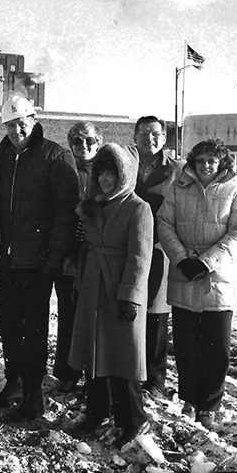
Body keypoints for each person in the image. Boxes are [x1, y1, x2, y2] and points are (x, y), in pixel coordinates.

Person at [0, 94, 79, 421]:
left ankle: (32, 395)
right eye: (10, 124)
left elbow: (67, 211)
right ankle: (13, 382)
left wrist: (55, 254)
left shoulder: (55, 156)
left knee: (33, 329)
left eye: (21, 121)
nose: (16, 129)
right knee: (7, 325)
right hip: (7, 260)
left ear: (34, 117)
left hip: (37, 263)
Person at [68, 143, 153, 447]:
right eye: (101, 172)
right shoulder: (92, 205)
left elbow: (140, 257)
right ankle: (96, 412)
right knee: (94, 354)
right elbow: (85, 250)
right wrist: (79, 285)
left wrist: (130, 296)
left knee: (122, 358)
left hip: (119, 289)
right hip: (93, 286)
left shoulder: (138, 207)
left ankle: (133, 419)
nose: (105, 179)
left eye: (112, 173)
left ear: (125, 175)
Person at [157, 139, 237, 430]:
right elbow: (164, 222)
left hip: (218, 279)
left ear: (221, 164)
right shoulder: (179, 188)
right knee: (186, 344)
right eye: (201, 159)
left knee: (217, 348)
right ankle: (190, 399)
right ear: (193, 162)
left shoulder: (234, 189)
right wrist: (181, 259)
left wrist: (206, 261)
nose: (206, 165)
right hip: (185, 275)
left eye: (212, 161)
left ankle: (210, 404)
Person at [128, 116, 181, 397]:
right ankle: (129, 372)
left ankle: (155, 378)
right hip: (127, 248)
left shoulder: (177, 170)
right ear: (135, 135)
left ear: (164, 138)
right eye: (145, 133)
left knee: (157, 314)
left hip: (160, 249)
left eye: (157, 133)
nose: (151, 138)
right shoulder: (126, 163)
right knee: (129, 308)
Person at [53, 121, 104, 394]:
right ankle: (67, 371)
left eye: (89, 141)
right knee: (68, 314)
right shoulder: (63, 168)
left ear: (99, 141)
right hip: (69, 254)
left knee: (95, 317)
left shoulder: (107, 170)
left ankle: (95, 373)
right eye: (77, 142)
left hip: (96, 254)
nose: (83, 147)